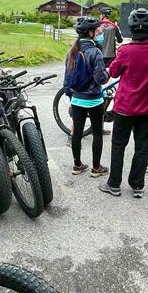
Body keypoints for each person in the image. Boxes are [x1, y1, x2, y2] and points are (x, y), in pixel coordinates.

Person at [98, 8, 148, 199]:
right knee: (142, 146)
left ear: (131, 28)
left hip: (126, 107)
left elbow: (114, 72)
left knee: (119, 145)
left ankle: (114, 184)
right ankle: (137, 186)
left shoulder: (126, 50)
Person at [64, 16, 109, 176]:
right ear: (90, 33)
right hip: (94, 100)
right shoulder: (95, 51)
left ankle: (77, 165)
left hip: (77, 99)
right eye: (97, 30)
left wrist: (72, 97)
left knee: (77, 133)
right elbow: (100, 78)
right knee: (97, 133)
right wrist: (107, 75)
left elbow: (66, 81)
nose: (99, 33)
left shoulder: (71, 51)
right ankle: (96, 168)